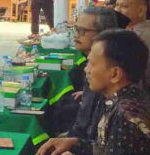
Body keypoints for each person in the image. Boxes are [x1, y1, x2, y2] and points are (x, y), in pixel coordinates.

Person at [23, 30, 150, 155]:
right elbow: (112, 151)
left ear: (114, 74)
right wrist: (75, 143)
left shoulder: (126, 115)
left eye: (91, 63)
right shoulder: (124, 98)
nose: (86, 69)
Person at [48, 8, 129, 136]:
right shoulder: (92, 63)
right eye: (75, 29)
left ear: (103, 33)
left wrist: (71, 142)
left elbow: (93, 134)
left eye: (82, 31)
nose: (76, 35)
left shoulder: (106, 71)